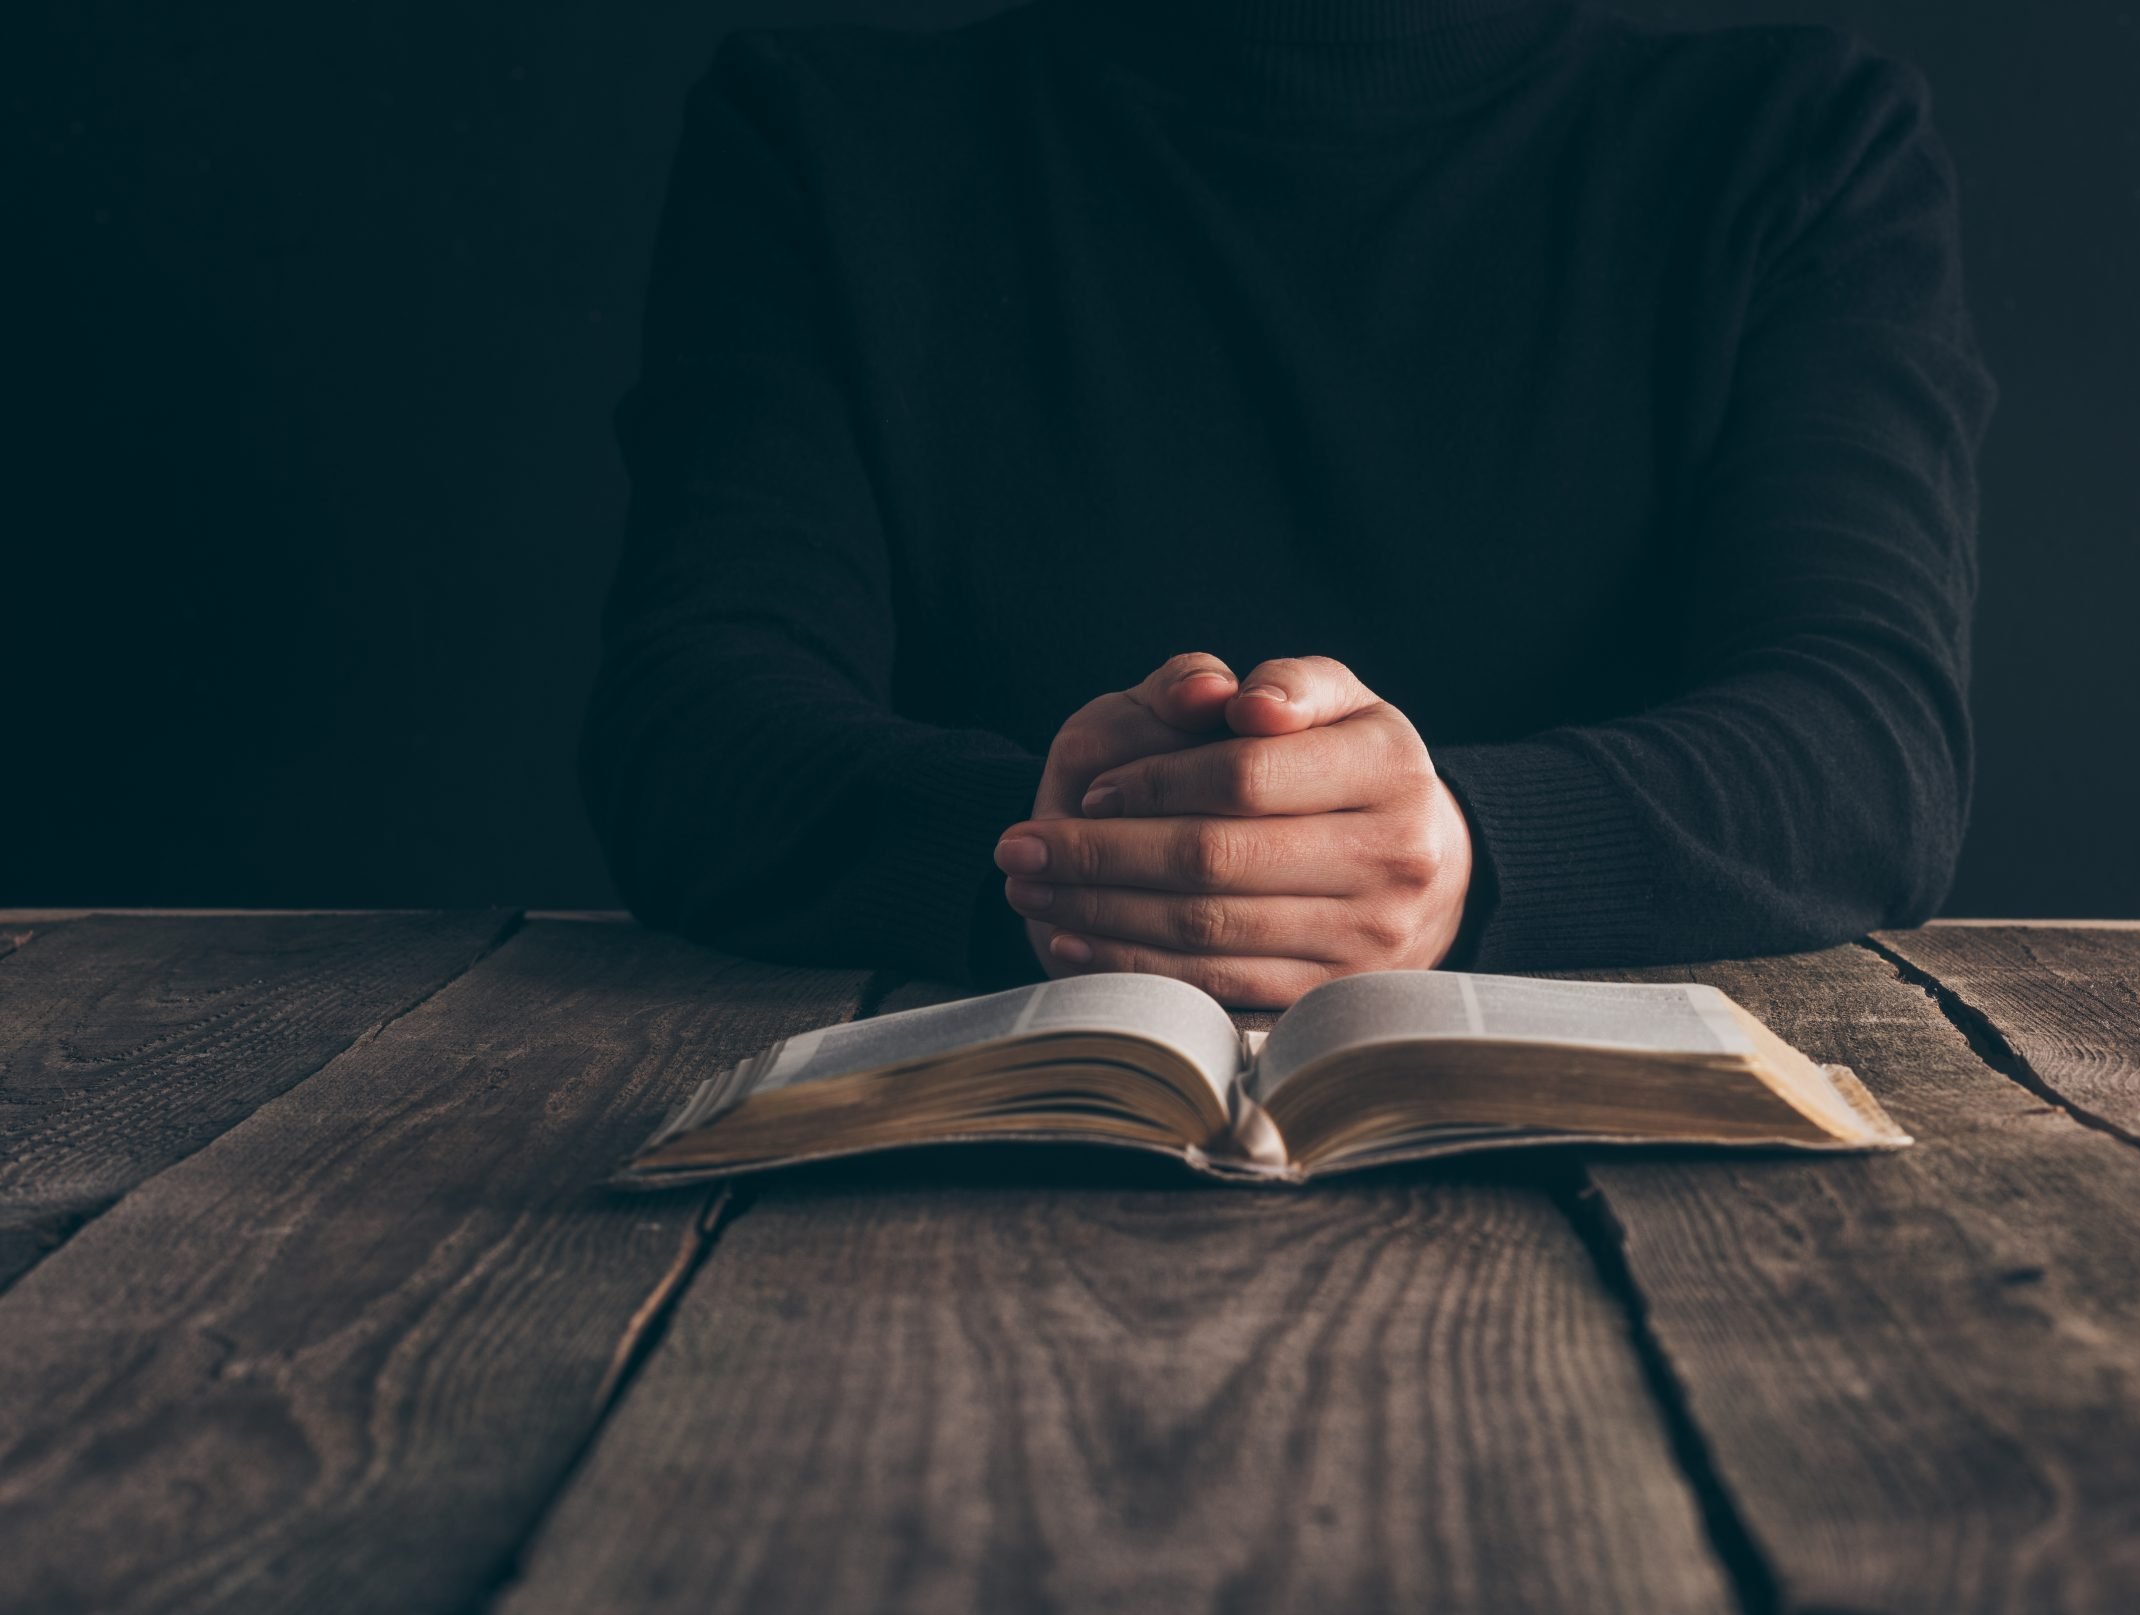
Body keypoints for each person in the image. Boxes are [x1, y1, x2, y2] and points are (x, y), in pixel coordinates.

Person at [580, 0, 1996, 1008]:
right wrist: (1054, 859)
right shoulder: (819, 138)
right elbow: (694, 718)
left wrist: (1473, 858)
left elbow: (1868, 738)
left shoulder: (1804, 145)